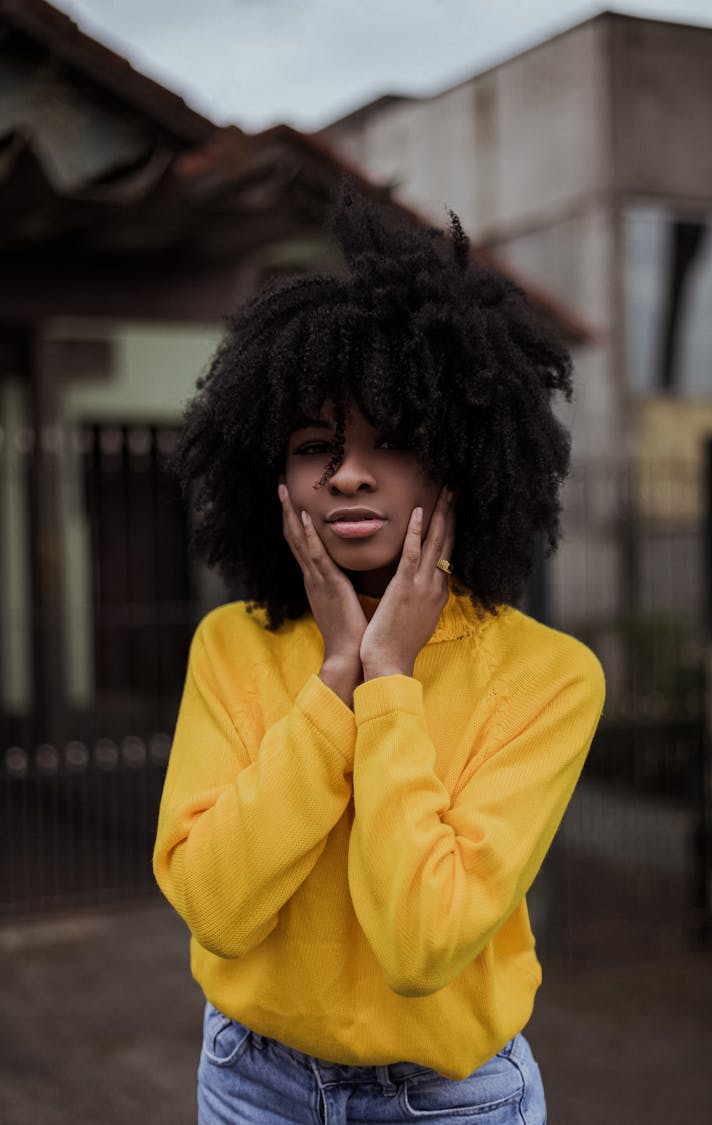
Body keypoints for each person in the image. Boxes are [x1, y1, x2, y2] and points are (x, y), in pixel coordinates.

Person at [152, 187, 605, 1124]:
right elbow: (217, 908)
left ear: (460, 460)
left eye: (391, 441)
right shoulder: (234, 644)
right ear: (272, 477)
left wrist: (389, 681)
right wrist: (333, 682)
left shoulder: (549, 676)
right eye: (318, 444)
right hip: (251, 1081)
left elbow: (420, 943)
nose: (349, 472)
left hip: (452, 1098)